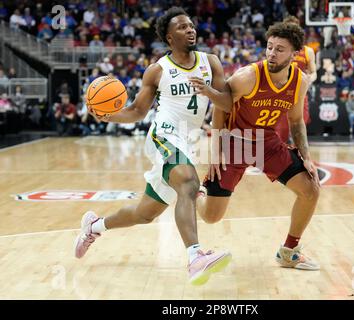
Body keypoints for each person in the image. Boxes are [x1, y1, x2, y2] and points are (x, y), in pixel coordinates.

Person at [74, 7, 232, 286]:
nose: (190, 29)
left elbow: (227, 103)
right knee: (188, 183)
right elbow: (136, 111)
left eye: (191, 25)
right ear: (170, 38)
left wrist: (208, 92)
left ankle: (94, 226)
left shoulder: (211, 62)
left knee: (145, 214)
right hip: (165, 134)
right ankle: (195, 257)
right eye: (182, 27)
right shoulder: (158, 70)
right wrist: (109, 115)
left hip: (188, 139)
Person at [196, 22, 321, 270]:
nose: (272, 53)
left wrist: (306, 156)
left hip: (267, 142)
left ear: (295, 53)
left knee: (311, 189)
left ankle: (289, 251)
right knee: (211, 217)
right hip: (235, 143)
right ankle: (195, 193)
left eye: (280, 49)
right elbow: (220, 108)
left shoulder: (300, 81)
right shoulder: (246, 77)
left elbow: (295, 120)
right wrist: (216, 152)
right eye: (269, 47)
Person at [278, 16, 317, 142]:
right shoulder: (278, 49)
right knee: (281, 133)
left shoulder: (307, 51)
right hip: (282, 94)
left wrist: (308, 79)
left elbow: (313, 72)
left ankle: (301, 159)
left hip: (299, 94)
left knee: (299, 130)